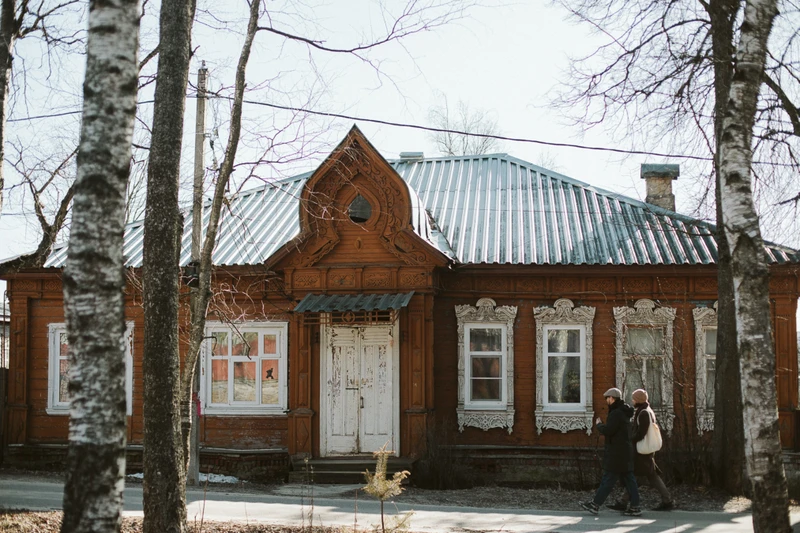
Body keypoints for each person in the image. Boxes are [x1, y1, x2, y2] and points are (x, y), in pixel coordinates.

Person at [608, 388, 674, 511]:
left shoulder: (643, 413)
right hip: (646, 450)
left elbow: (641, 433)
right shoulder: (646, 410)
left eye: (634, 398)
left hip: (642, 450)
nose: (632, 400)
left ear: (638, 400)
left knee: (637, 476)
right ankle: (667, 499)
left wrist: (630, 440)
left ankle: (624, 502)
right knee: (648, 476)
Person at [580, 387, 641, 516]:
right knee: (630, 480)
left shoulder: (616, 413)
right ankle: (635, 506)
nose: (606, 400)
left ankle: (595, 505)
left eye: (607, 398)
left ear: (612, 398)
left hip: (616, 453)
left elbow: (609, 431)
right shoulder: (624, 411)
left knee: (608, 479)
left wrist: (599, 425)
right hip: (625, 451)